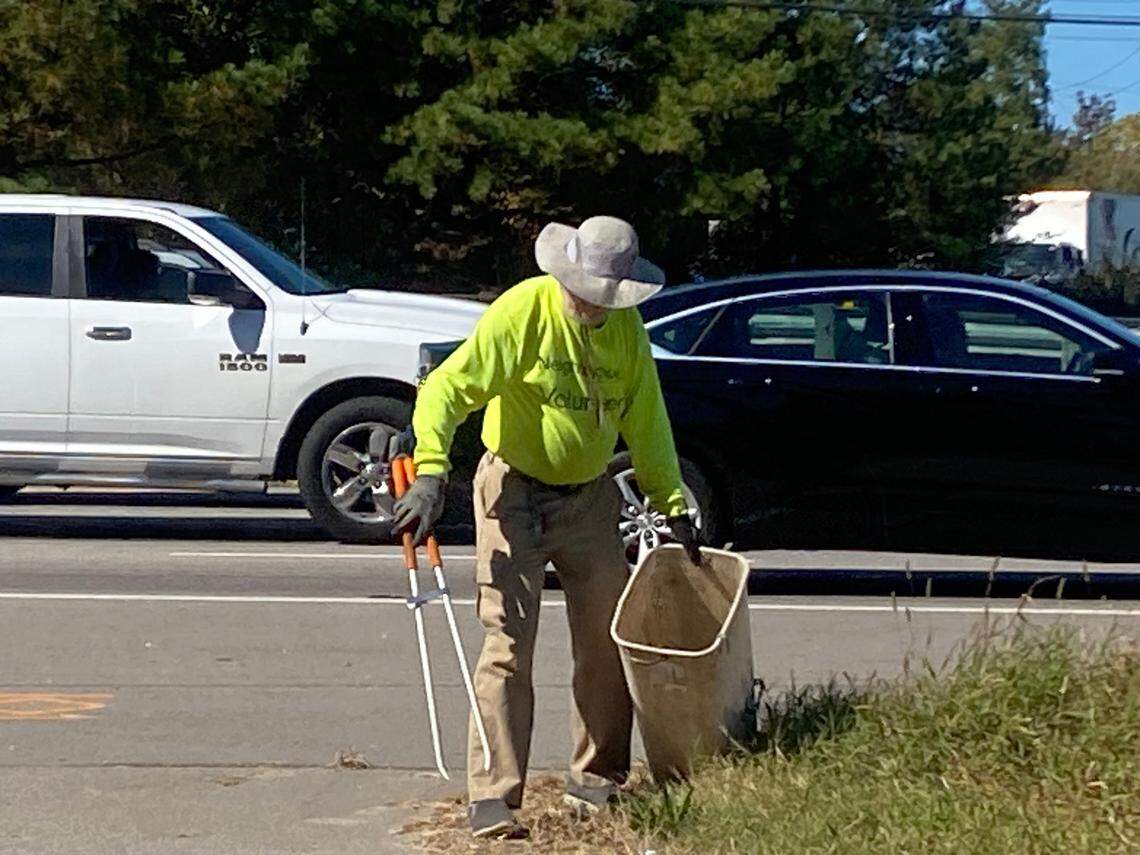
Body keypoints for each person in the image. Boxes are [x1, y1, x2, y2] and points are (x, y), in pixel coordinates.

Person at [392, 215, 701, 840]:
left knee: (606, 639)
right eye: (586, 292)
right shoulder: (521, 313)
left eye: (607, 297)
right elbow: (448, 390)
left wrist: (672, 500)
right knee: (508, 644)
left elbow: (647, 420)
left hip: (588, 499)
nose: (593, 306)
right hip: (514, 491)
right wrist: (429, 471)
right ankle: (494, 799)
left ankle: (597, 781)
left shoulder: (626, 331)